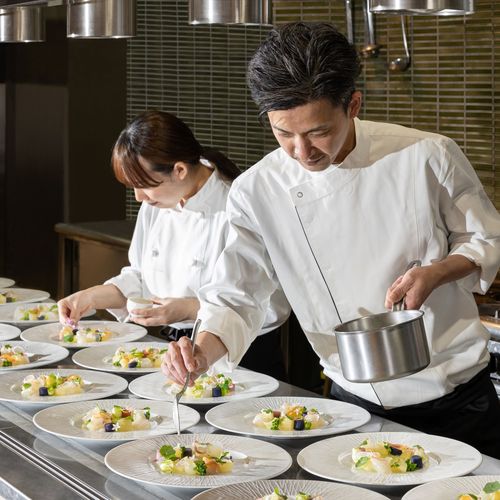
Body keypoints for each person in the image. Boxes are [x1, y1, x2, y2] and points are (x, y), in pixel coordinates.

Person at [161, 22, 500, 458]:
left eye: (318, 132)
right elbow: (237, 295)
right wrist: (200, 354)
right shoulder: (256, 190)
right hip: (351, 408)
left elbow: (485, 235)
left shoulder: (425, 155)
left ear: (353, 104)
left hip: (457, 403)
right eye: (284, 133)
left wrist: (438, 272)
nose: (302, 152)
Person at [57, 110, 289, 380]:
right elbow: (141, 278)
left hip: (243, 358)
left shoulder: (237, 206)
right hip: (175, 352)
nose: (139, 197)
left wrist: (189, 308)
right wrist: (90, 298)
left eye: (144, 185)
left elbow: (269, 305)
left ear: (179, 170)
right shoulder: (158, 203)